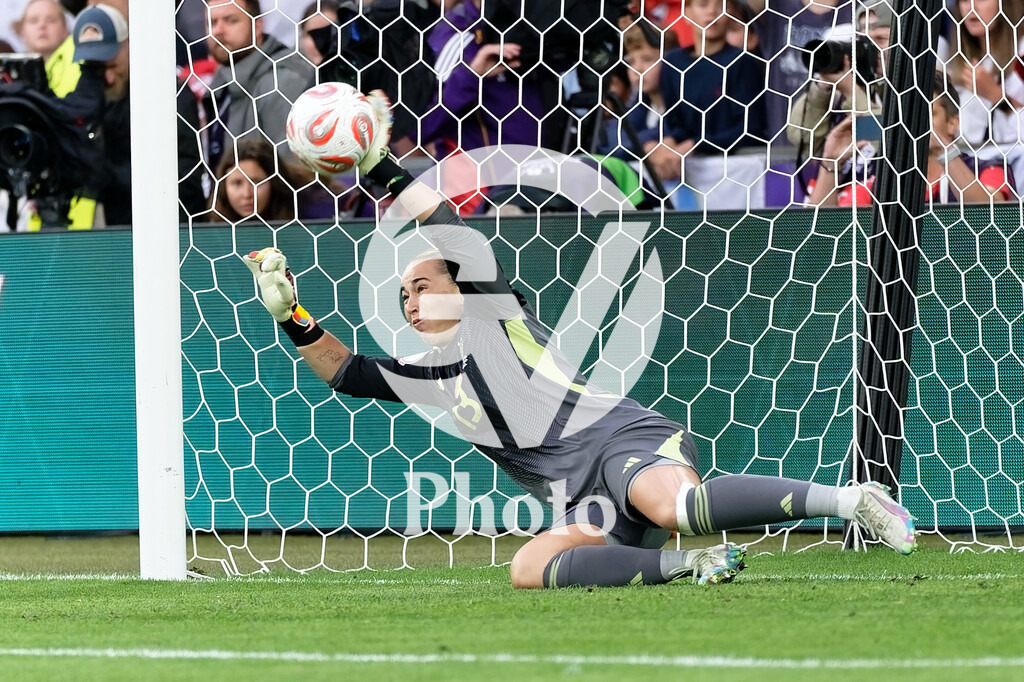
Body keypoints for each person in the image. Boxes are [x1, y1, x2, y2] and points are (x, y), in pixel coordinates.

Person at [243, 92, 919, 590]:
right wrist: (291, 313)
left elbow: (441, 220)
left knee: (678, 507)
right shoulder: (429, 374)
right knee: (527, 567)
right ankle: (689, 566)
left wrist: (378, 166)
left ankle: (852, 500)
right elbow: (346, 374)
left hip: (621, 440)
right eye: (403, 297)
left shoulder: (491, 312)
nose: (412, 301)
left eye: (422, 286)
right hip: (581, 498)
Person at [808, 70, 1014, 206]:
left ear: (953, 122)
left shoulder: (990, 169)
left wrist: (945, 152)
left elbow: (991, 217)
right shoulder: (879, 185)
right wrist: (831, 162)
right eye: (908, 116)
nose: (915, 125)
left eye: (926, 114)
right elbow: (825, 233)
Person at [648, 0, 768, 209]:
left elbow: (752, 130)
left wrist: (695, 144)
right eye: (703, 5)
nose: (712, 12)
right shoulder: (672, 63)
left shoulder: (742, 62)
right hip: (682, 176)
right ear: (687, 12)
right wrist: (666, 142)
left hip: (734, 179)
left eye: (720, 6)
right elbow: (671, 119)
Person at [204, 0, 313, 169]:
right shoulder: (221, 84)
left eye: (231, 20)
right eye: (212, 22)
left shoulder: (283, 82)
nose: (218, 30)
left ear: (257, 26)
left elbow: (295, 174)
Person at [208, 137, 335, 223]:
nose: (247, 194)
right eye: (237, 183)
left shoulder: (314, 210)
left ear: (275, 182)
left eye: (256, 182)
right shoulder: (219, 225)